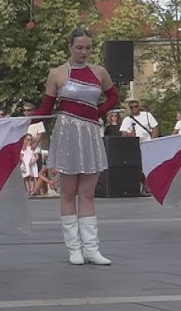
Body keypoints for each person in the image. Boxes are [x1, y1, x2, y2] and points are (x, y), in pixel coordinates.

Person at [29, 28, 118, 265]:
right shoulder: (57, 74)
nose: (84, 52)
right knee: (68, 193)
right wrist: (23, 120)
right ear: (70, 47)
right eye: (79, 47)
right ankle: (74, 249)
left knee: (87, 193)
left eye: (88, 47)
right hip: (67, 134)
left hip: (89, 133)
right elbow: (46, 109)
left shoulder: (100, 72)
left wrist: (97, 113)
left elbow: (113, 98)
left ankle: (91, 248)